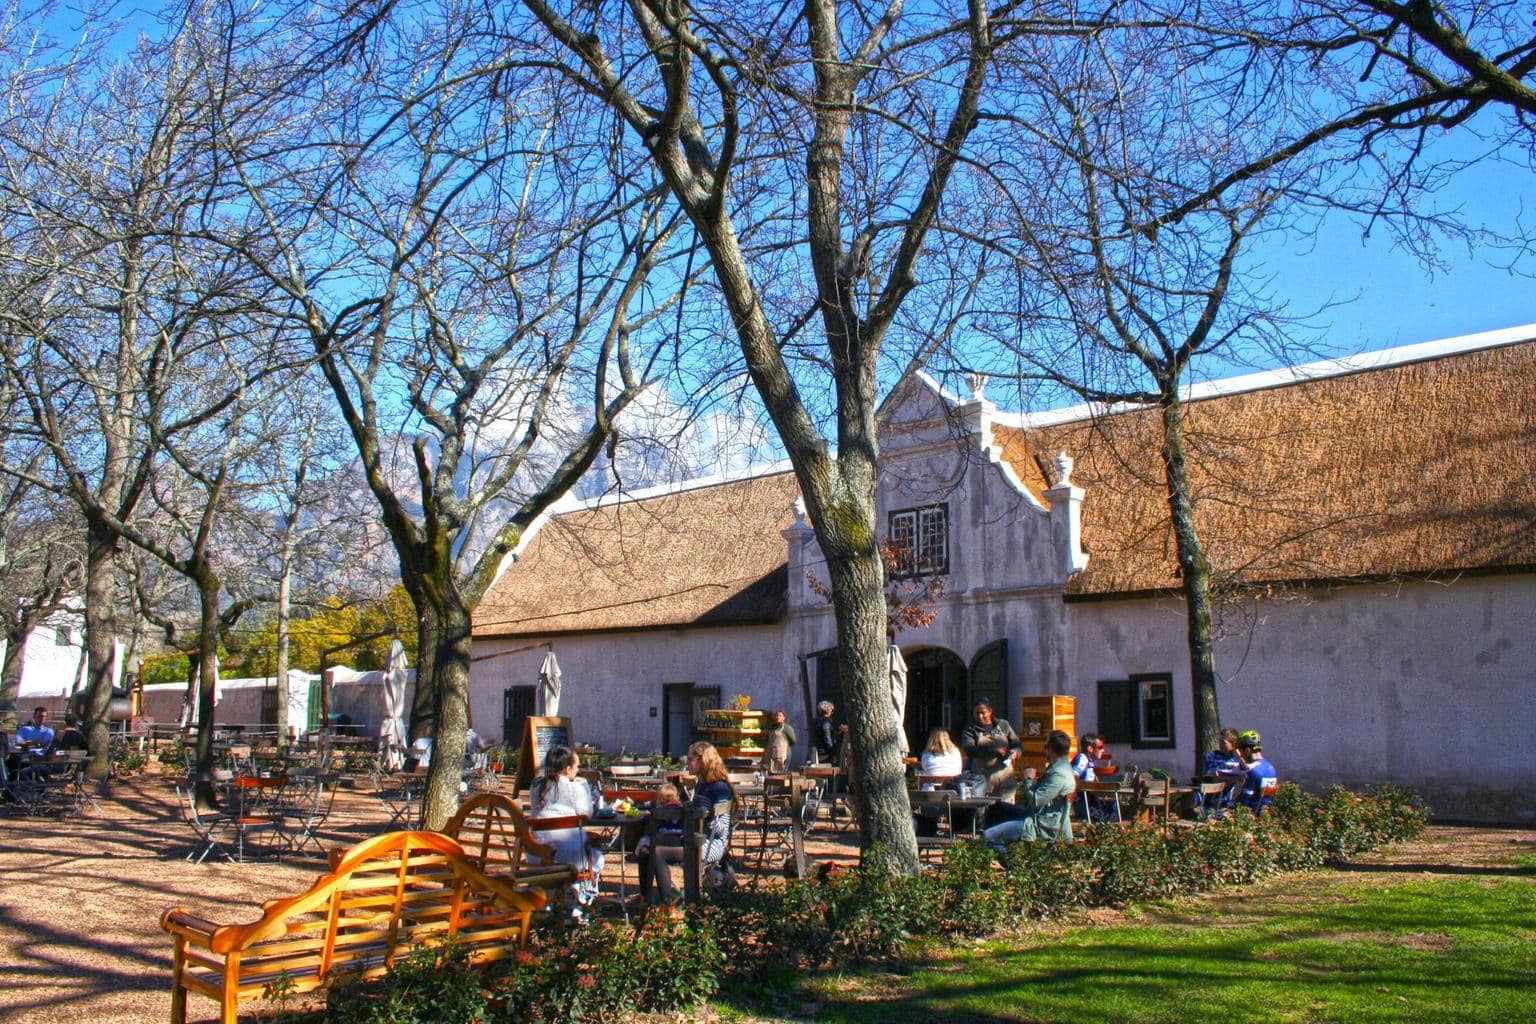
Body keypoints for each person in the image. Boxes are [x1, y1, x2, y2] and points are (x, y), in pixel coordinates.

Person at [650, 741, 735, 904]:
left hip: (710, 844)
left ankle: (669, 903)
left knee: (657, 852)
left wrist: (705, 817)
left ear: (702, 761)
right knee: (648, 846)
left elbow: (722, 829)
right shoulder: (702, 784)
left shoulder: (719, 788)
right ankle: (646, 897)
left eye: (690, 759)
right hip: (693, 838)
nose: (686, 762)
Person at [530, 745, 604, 911]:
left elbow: (535, 809)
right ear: (568, 768)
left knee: (579, 853)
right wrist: (584, 787)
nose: (577, 771)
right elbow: (586, 815)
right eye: (576, 767)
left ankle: (554, 901)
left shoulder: (537, 786)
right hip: (568, 855)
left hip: (537, 853)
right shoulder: (575, 788)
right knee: (598, 858)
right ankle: (578, 898)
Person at [982, 729, 1075, 853]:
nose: (1044, 750)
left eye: (1045, 747)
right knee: (996, 808)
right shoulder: (1057, 768)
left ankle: (1015, 866)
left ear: (1051, 750)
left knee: (988, 837)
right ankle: (1005, 843)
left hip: (1042, 824)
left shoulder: (1059, 774)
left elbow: (1035, 801)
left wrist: (1028, 779)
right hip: (1036, 815)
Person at [960, 700, 1023, 800]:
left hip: (1005, 776)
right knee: (985, 810)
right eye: (977, 713)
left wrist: (1015, 753)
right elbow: (969, 750)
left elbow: (1017, 744)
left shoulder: (1003, 725)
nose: (980, 716)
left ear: (990, 711)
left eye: (983, 713)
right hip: (982, 778)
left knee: (1006, 809)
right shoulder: (970, 730)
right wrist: (993, 750)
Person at [634, 783, 684, 901]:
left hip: (663, 843)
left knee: (644, 847)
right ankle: (655, 898)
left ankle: (649, 896)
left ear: (660, 799)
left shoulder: (659, 810)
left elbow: (653, 825)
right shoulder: (681, 808)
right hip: (679, 842)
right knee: (646, 851)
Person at [1234, 731, 1278, 816]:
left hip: (1251, 814)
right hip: (1266, 812)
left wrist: (1230, 806)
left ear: (1247, 750)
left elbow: (1244, 800)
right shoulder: (1270, 767)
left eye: (1241, 752)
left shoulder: (1253, 771)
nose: (1241, 755)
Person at [760, 709, 797, 773]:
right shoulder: (771, 728)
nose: (778, 717)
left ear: (784, 718)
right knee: (770, 773)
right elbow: (767, 741)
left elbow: (793, 741)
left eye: (780, 716)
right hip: (771, 755)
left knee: (782, 773)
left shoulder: (787, 728)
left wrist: (783, 746)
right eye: (776, 716)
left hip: (783, 755)